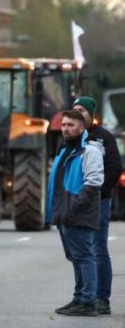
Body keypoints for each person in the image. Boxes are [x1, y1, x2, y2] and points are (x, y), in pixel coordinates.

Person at [47, 109, 104, 317]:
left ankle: (88, 301)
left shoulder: (90, 151)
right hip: (66, 213)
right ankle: (79, 297)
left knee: (84, 257)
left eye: (70, 125)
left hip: (78, 213)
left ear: (82, 128)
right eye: (63, 125)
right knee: (76, 258)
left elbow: (94, 182)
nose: (65, 129)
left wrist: (73, 207)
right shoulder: (66, 150)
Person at [72, 96, 122, 315]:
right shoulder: (72, 136)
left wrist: (97, 193)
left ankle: (102, 299)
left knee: (98, 249)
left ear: (91, 114)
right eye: (74, 110)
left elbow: (114, 168)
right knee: (80, 252)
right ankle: (83, 297)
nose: (78, 113)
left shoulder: (104, 137)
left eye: (82, 109)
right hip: (76, 203)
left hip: (99, 201)